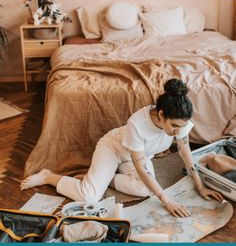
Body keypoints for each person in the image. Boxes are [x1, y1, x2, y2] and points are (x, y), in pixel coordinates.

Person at [21, 78, 223, 217]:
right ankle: (49, 176)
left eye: (182, 126)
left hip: (140, 156)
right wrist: (166, 200)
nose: (178, 132)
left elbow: (185, 152)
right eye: (174, 127)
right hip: (114, 149)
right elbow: (142, 169)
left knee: (146, 190)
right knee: (89, 195)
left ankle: (104, 178)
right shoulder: (138, 123)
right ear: (161, 115)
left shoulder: (180, 121)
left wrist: (200, 184)